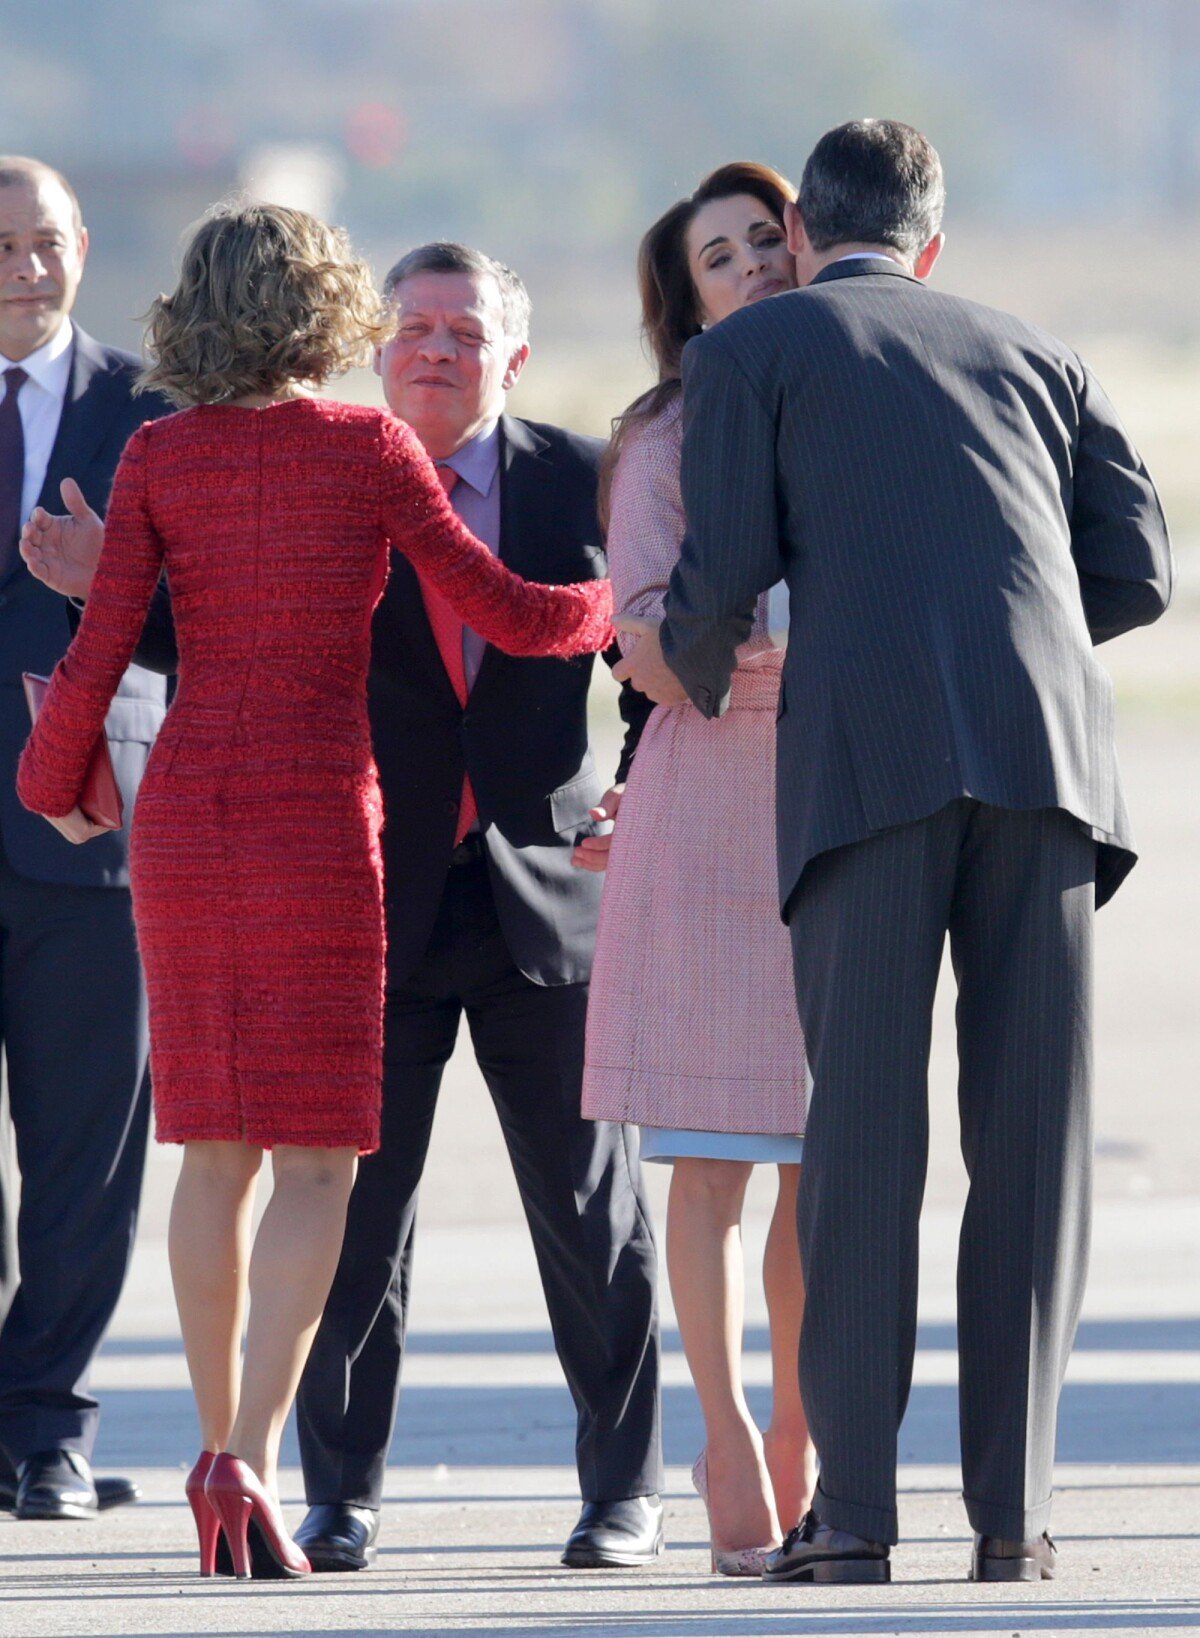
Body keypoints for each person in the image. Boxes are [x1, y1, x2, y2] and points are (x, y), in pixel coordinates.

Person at [23, 239, 664, 1575]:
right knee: (324, 1164)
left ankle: (221, 1436)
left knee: (213, 1149)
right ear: (345, 319)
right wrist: (616, 601)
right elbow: (519, 613)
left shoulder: (156, 458)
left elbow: (108, 648)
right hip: (324, 817)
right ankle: (256, 1455)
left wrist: (49, 772)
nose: (418, 339)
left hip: (201, 817)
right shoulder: (369, 453)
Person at [616, 119, 1172, 1584]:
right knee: (1032, 1148)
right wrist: (1004, 654)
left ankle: (856, 1515)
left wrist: (660, 671)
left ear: (807, 238)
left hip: (866, 766)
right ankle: (1017, 1520)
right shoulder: (1037, 349)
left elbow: (722, 576)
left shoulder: (760, 352)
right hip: (1048, 769)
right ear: (933, 239)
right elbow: (1137, 568)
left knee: (863, 1139)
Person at [579, 164, 813, 1576]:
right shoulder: (661, 435)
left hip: (846, 805)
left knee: (829, 1158)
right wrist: (813, 658)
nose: (747, 267)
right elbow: (651, 646)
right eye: (715, 258)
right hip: (711, 799)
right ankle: (723, 1433)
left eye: (760, 241)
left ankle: (804, 1423)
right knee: (716, 1153)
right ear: (690, 299)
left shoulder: (861, 393)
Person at [0, 154, 172, 1522]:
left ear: (83, 247)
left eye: (46, 242)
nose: (23, 267)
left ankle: (47, 1427)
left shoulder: (152, 413)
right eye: (0, 243)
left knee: (88, 1153)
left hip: (94, 837)